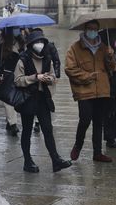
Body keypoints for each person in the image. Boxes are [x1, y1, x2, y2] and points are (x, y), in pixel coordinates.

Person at [13, 30, 72, 174]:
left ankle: (55, 160)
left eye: (42, 42)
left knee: (48, 129)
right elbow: (18, 80)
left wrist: (49, 79)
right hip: (27, 99)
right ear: (31, 44)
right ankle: (27, 161)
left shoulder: (47, 58)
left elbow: (53, 76)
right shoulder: (23, 59)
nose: (39, 45)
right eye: (36, 42)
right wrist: (34, 77)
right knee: (26, 130)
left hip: (43, 98)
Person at [65, 20, 116, 163]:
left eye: (95, 29)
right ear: (85, 29)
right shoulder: (75, 48)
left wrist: (110, 56)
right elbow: (69, 69)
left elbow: (112, 68)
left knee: (98, 121)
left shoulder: (104, 47)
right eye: (90, 29)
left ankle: (97, 152)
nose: (92, 32)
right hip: (84, 91)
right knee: (85, 119)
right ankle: (78, 144)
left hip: (102, 90)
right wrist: (87, 76)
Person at [0, 28, 25, 136]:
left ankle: (10, 121)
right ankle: (13, 123)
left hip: (19, 74)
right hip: (6, 74)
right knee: (7, 100)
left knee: (13, 98)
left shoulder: (22, 42)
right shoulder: (2, 44)